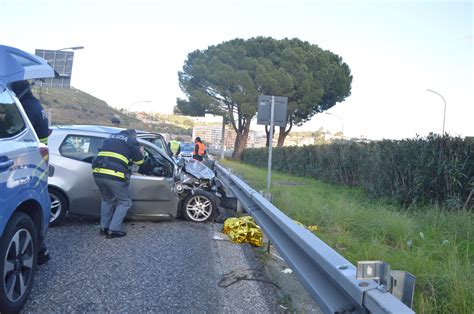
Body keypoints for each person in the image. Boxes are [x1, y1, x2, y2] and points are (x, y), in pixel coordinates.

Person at [92, 129, 144, 238]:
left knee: (107, 200)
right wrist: (141, 152)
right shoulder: (131, 141)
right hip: (114, 174)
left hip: (98, 172)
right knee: (125, 202)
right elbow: (139, 162)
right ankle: (113, 230)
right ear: (133, 136)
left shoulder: (110, 137)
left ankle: (104, 228)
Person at [10, 80, 50, 144]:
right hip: (41, 144)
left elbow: (19, 129)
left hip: (33, 145)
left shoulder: (26, 106)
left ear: (18, 92)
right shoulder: (34, 102)